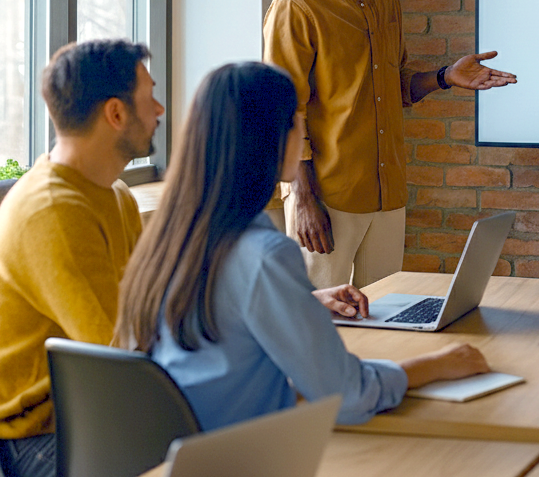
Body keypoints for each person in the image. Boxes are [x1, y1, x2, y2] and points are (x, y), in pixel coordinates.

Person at [114, 62, 490, 431]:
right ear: (271, 139)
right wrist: (436, 365)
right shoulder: (264, 252)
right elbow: (349, 396)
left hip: (182, 445)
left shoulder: (170, 237)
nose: (303, 130)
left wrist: (303, 301)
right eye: (297, 120)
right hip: (239, 448)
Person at [263, 0, 516, 290]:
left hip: (387, 197)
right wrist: (302, 199)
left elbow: (393, 88)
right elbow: (281, 113)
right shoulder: (297, 6)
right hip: (328, 199)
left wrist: (444, 77)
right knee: (320, 316)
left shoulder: (387, 1)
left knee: (384, 313)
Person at [0, 39, 163, 477]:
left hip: (92, 410)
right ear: (116, 114)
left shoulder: (115, 194)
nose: (160, 110)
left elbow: (153, 303)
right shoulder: (53, 211)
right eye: (149, 97)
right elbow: (118, 353)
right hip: (37, 436)